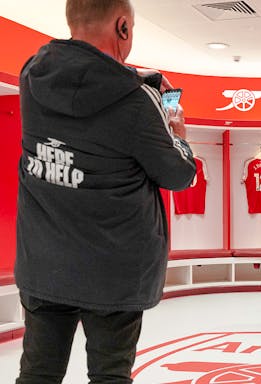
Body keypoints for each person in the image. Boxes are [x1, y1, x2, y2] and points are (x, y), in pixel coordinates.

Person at [14, 1, 196, 383]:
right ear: (123, 27)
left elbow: (85, 87)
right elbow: (179, 175)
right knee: (110, 375)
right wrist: (178, 135)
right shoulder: (135, 102)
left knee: (38, 373)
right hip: (114, 271)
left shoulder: (33, 76)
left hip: (45, 262)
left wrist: (130, 78)